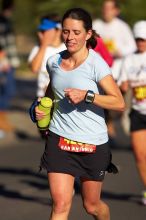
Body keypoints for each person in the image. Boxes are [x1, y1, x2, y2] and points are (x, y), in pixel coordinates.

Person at [33, 8, 125, 220]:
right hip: (60, 140)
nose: (70, 37)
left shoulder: (96, 64)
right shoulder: (54, 62)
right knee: (60, 204)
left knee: (92, 206)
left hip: (92, 143)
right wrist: (40, 109)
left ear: (88, 34)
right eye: (65, 32)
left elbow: (119, 103)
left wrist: (88, 96)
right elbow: (50, 94)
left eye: (76, 32)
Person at [93, 0, 136, 138]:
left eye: (110, 8)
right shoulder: (96, 25)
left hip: (118, 70)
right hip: (100, 70)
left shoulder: (122, 27)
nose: (106, 11)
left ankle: (123, 119)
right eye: (104, 8)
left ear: (116, 11)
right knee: (103, 98)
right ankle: (108, 123)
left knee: (121, 100)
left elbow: (132, 46)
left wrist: (119, 51)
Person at [119, 20, 146, 205]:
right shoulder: (128, 60)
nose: (141, 42)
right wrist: (124, 85)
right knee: (139, 154)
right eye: (138, 39)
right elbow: (122, 83)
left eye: (144, 39)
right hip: (137, 111)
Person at [28, 14, 66, 98]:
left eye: (45, 30)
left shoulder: (66, 49)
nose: (41, 33)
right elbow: (34, 69)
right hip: (41, 98)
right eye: (41, 30)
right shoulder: (38, 48)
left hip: (60, 98)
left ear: (58, 30)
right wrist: (44, 45)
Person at [0, 0, 20, 137]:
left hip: (10, 61)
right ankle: (2, 121)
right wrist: (3, 60)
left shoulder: (6, 20)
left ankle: (3, 120)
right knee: (7, 90)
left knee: (7, 90)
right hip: (5, 62)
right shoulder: (2, 21)